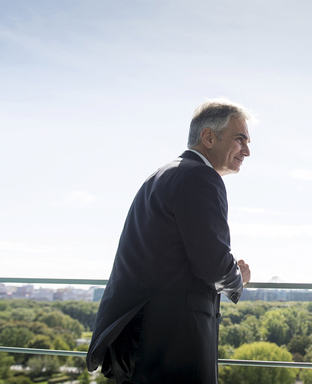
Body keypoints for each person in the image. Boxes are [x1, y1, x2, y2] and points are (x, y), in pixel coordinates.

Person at [86, 98, 253, 384]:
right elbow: (212, 265)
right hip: (169, 342)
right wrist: (238, 277)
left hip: (136, 338)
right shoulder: (202, 177)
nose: (247, 151)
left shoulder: (161, 175)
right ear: (209, 137)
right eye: (241, 139)